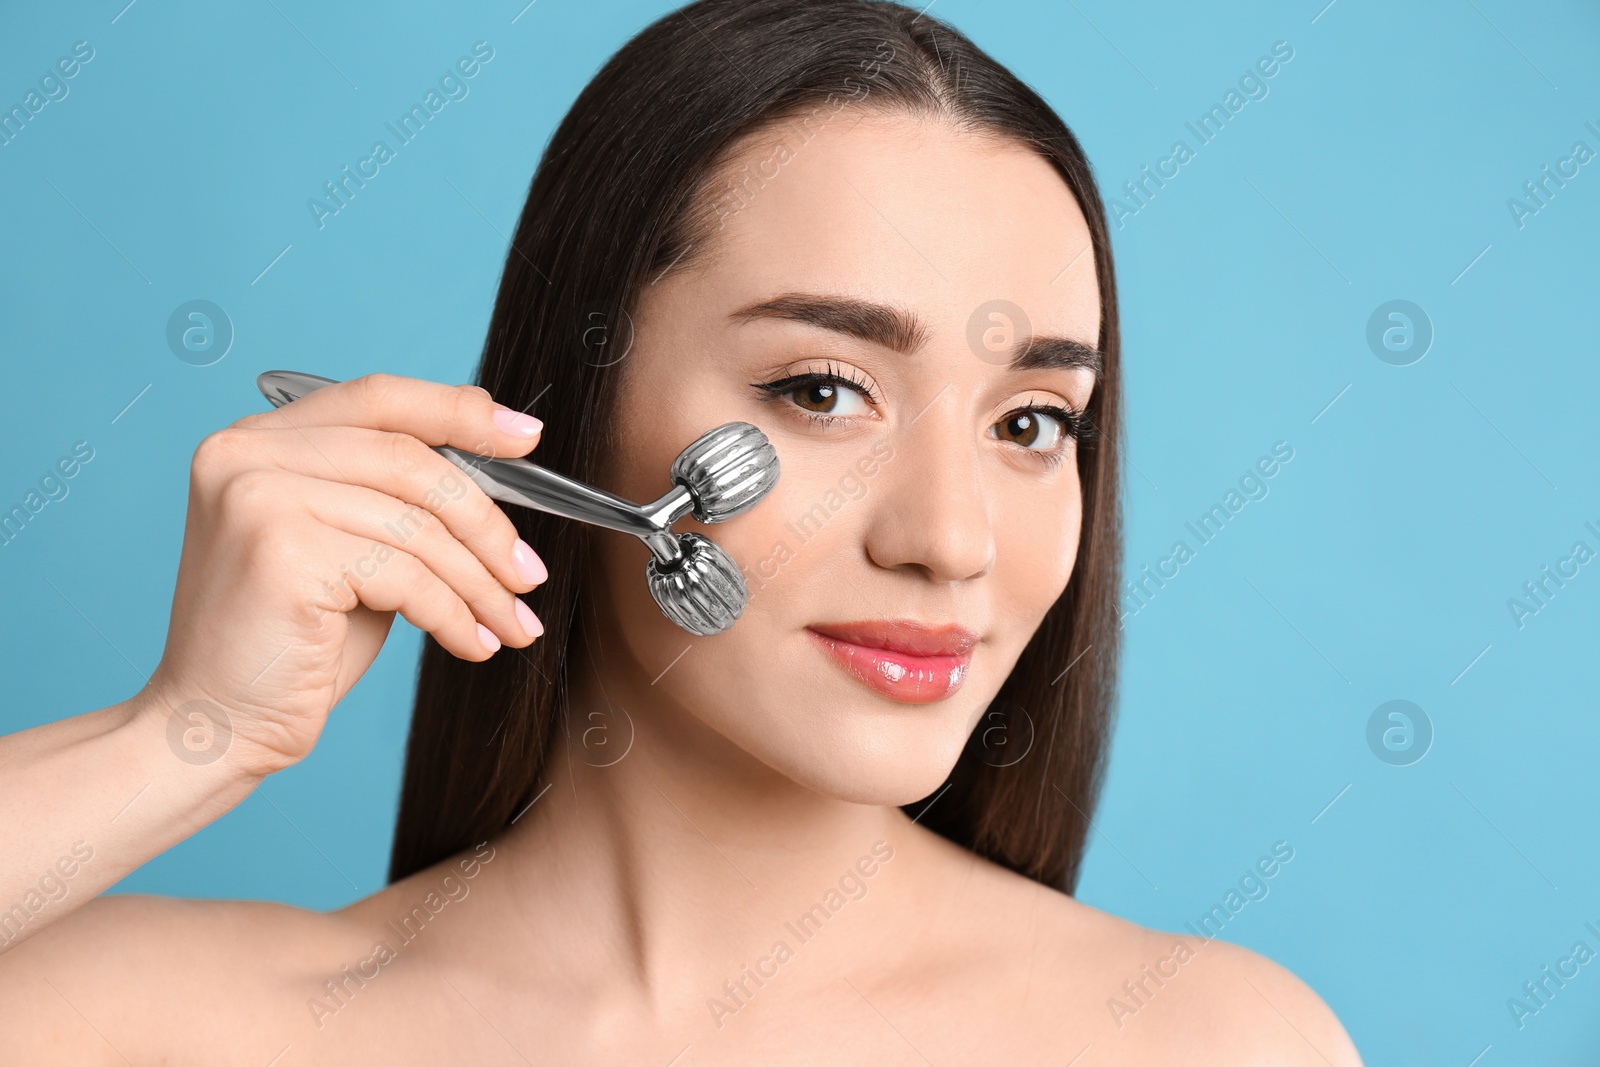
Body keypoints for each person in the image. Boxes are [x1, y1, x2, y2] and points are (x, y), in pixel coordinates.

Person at [0, 0, 1363, 1061]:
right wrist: (184, 737)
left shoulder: (1212, 1045)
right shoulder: (155, 1027)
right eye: (824, 391)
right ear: (571, 410)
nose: (951, 542)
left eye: (1031, 424)